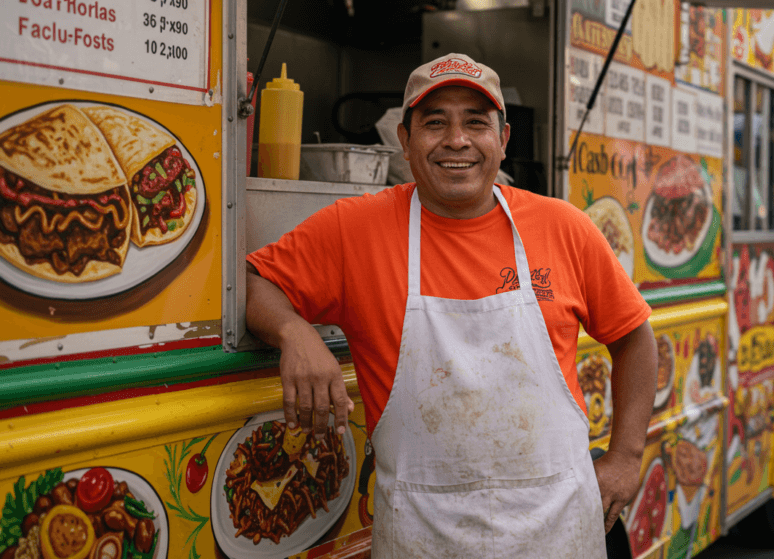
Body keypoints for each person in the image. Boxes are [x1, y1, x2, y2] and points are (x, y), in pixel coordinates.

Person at [245, 53, 658, 558]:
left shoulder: (562, 227)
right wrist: (293, 332)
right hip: (422, 536)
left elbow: (635, 336)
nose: (456, 140)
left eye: (476, 123)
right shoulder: (354, 230)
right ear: (405, 140)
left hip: (558, 531)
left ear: (503, 141)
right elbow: (253, 282)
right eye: (434, 122)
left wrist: (625, 456)